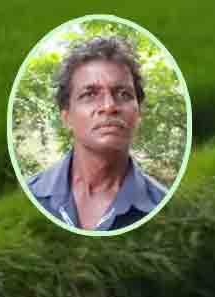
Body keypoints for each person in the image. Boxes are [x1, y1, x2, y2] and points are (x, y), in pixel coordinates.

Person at [27, 36, 166, 232]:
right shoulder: (29, 196)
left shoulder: (163, 206)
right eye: (90, 94)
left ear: (139, 113)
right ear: (67, 117)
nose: (109, 106)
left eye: (123, 94)